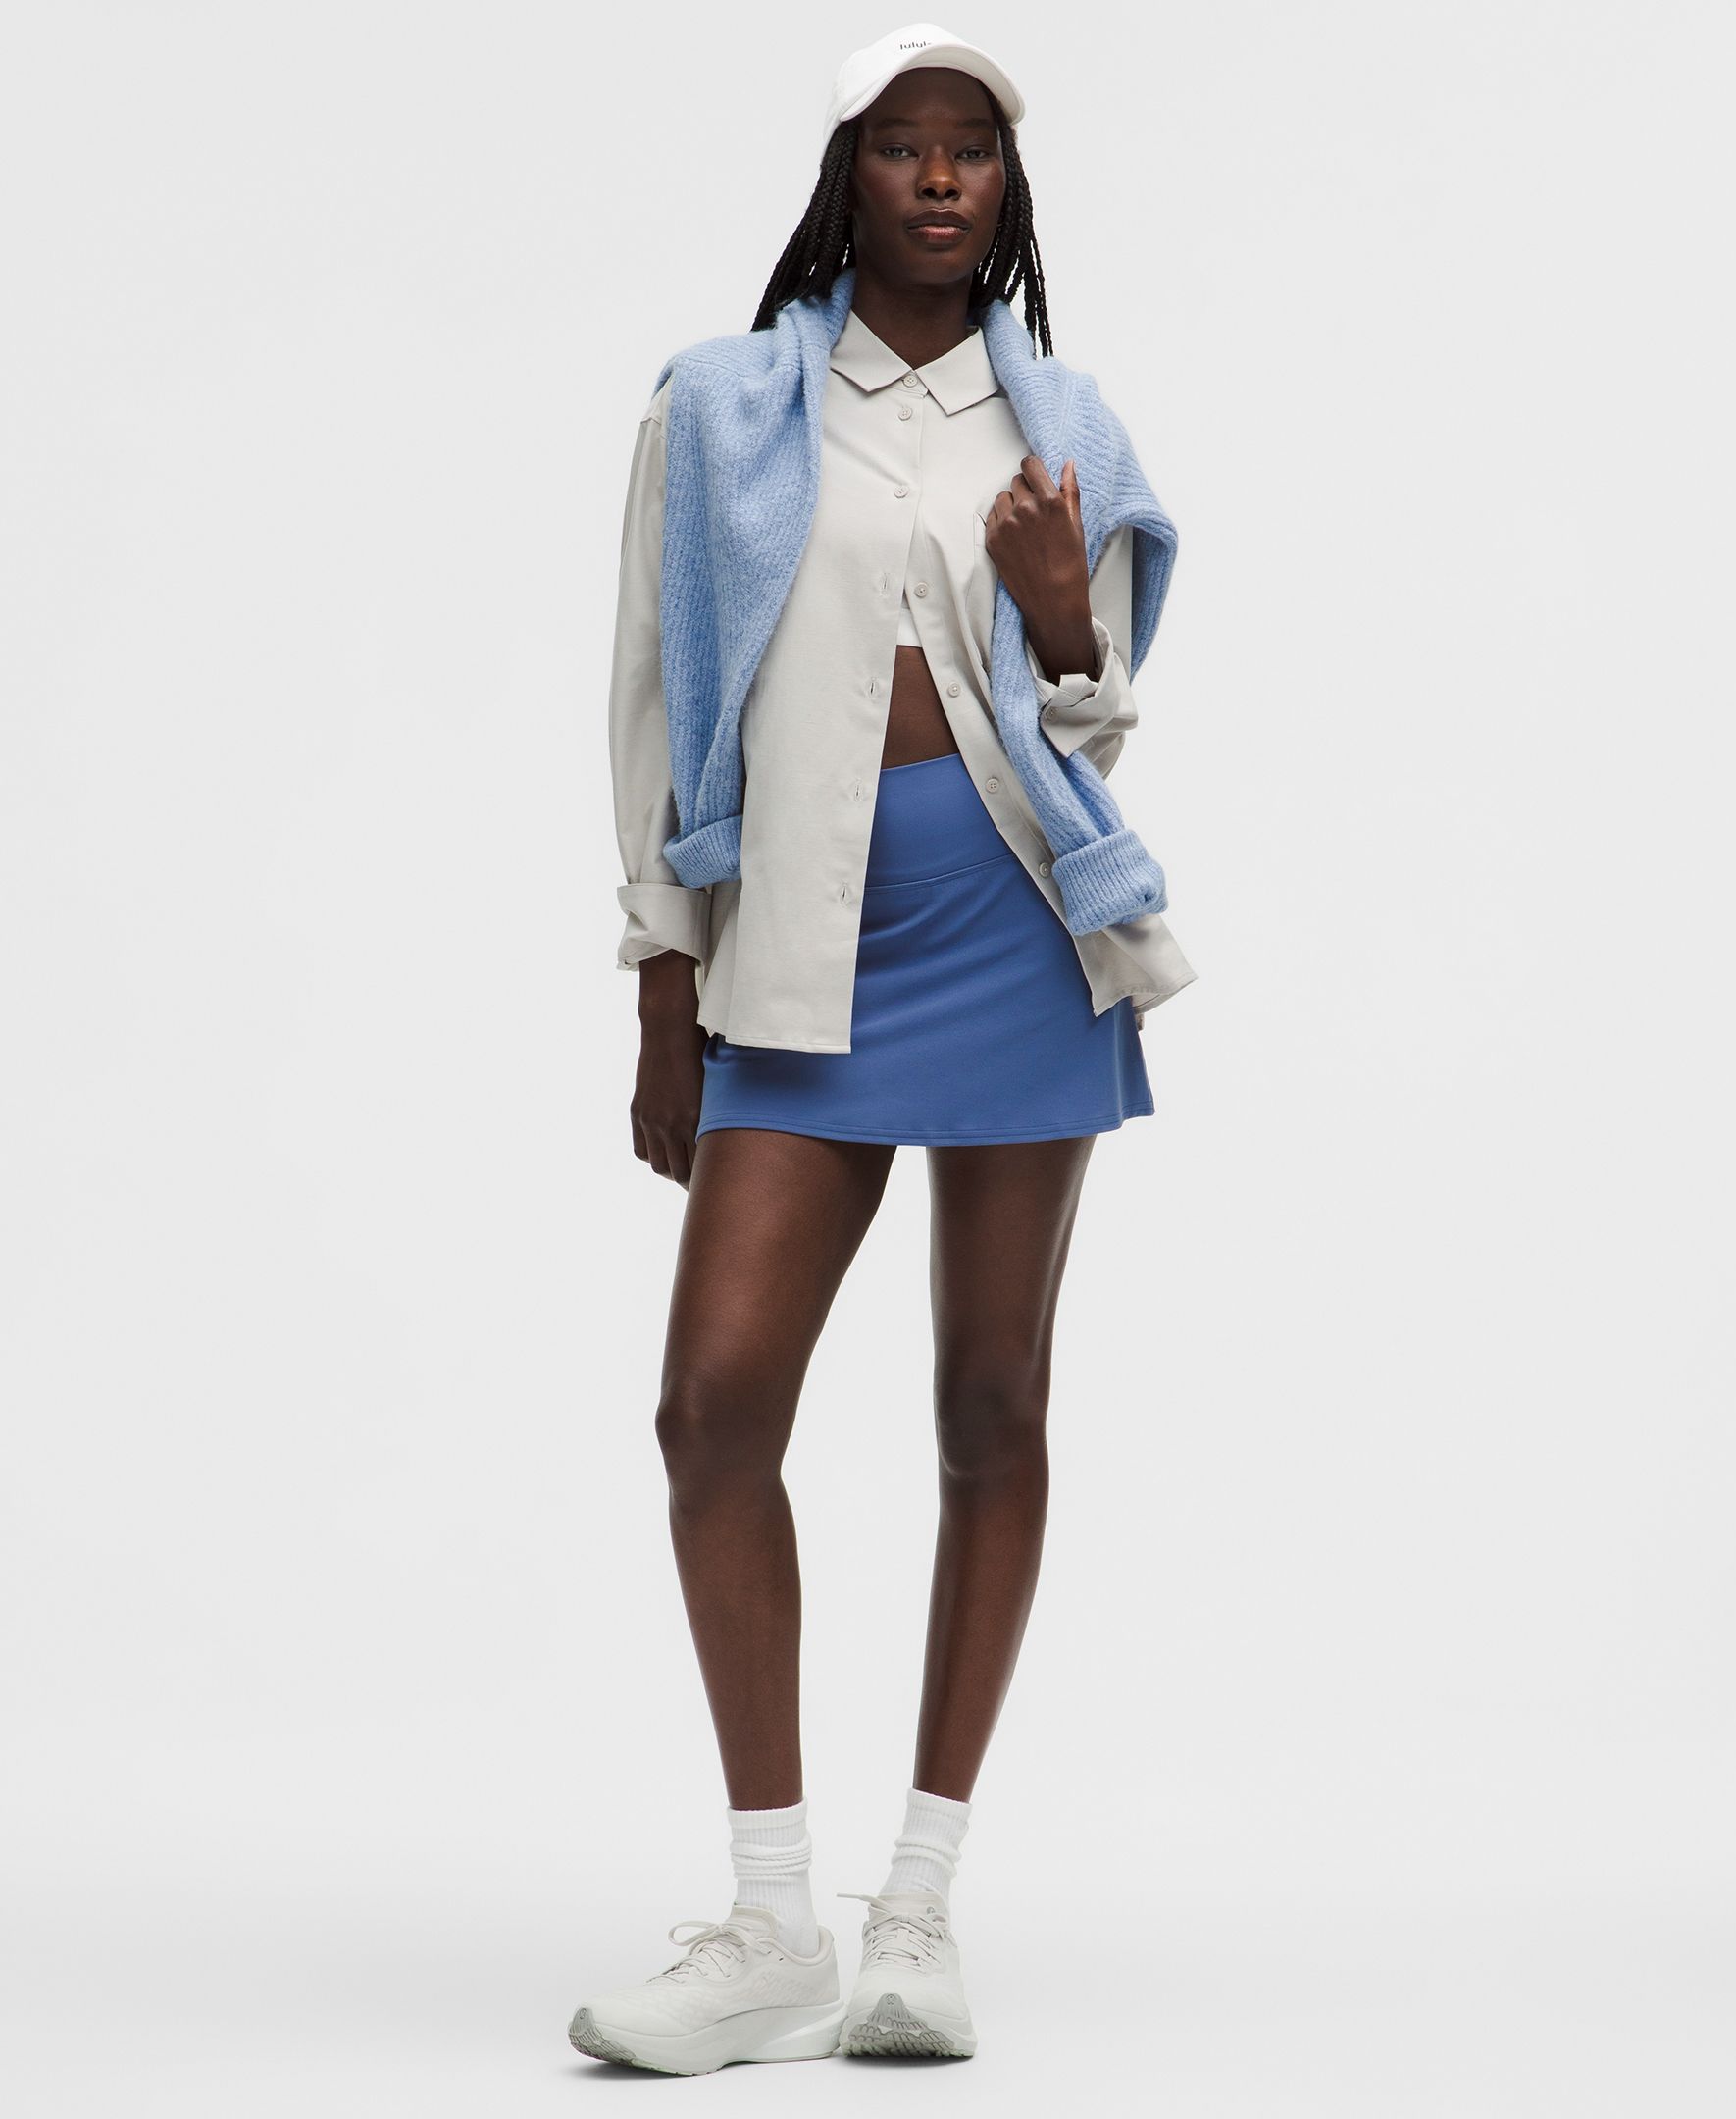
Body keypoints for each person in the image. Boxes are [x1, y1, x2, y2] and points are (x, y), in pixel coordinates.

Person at [571, 21, 1196, 2076]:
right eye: (903, 146)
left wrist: (1063, 610)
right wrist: (666, 982)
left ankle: (914, 1911)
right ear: (847, 175)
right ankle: (770, 1926)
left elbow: (1092, 729)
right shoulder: (724, 404)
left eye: (973, 151)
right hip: (798, 957)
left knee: (992, 1402)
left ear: (1007, 192)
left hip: (1015, 942)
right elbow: (657, 692)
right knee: (712, 1410)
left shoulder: (1066, 422)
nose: (940, 178)